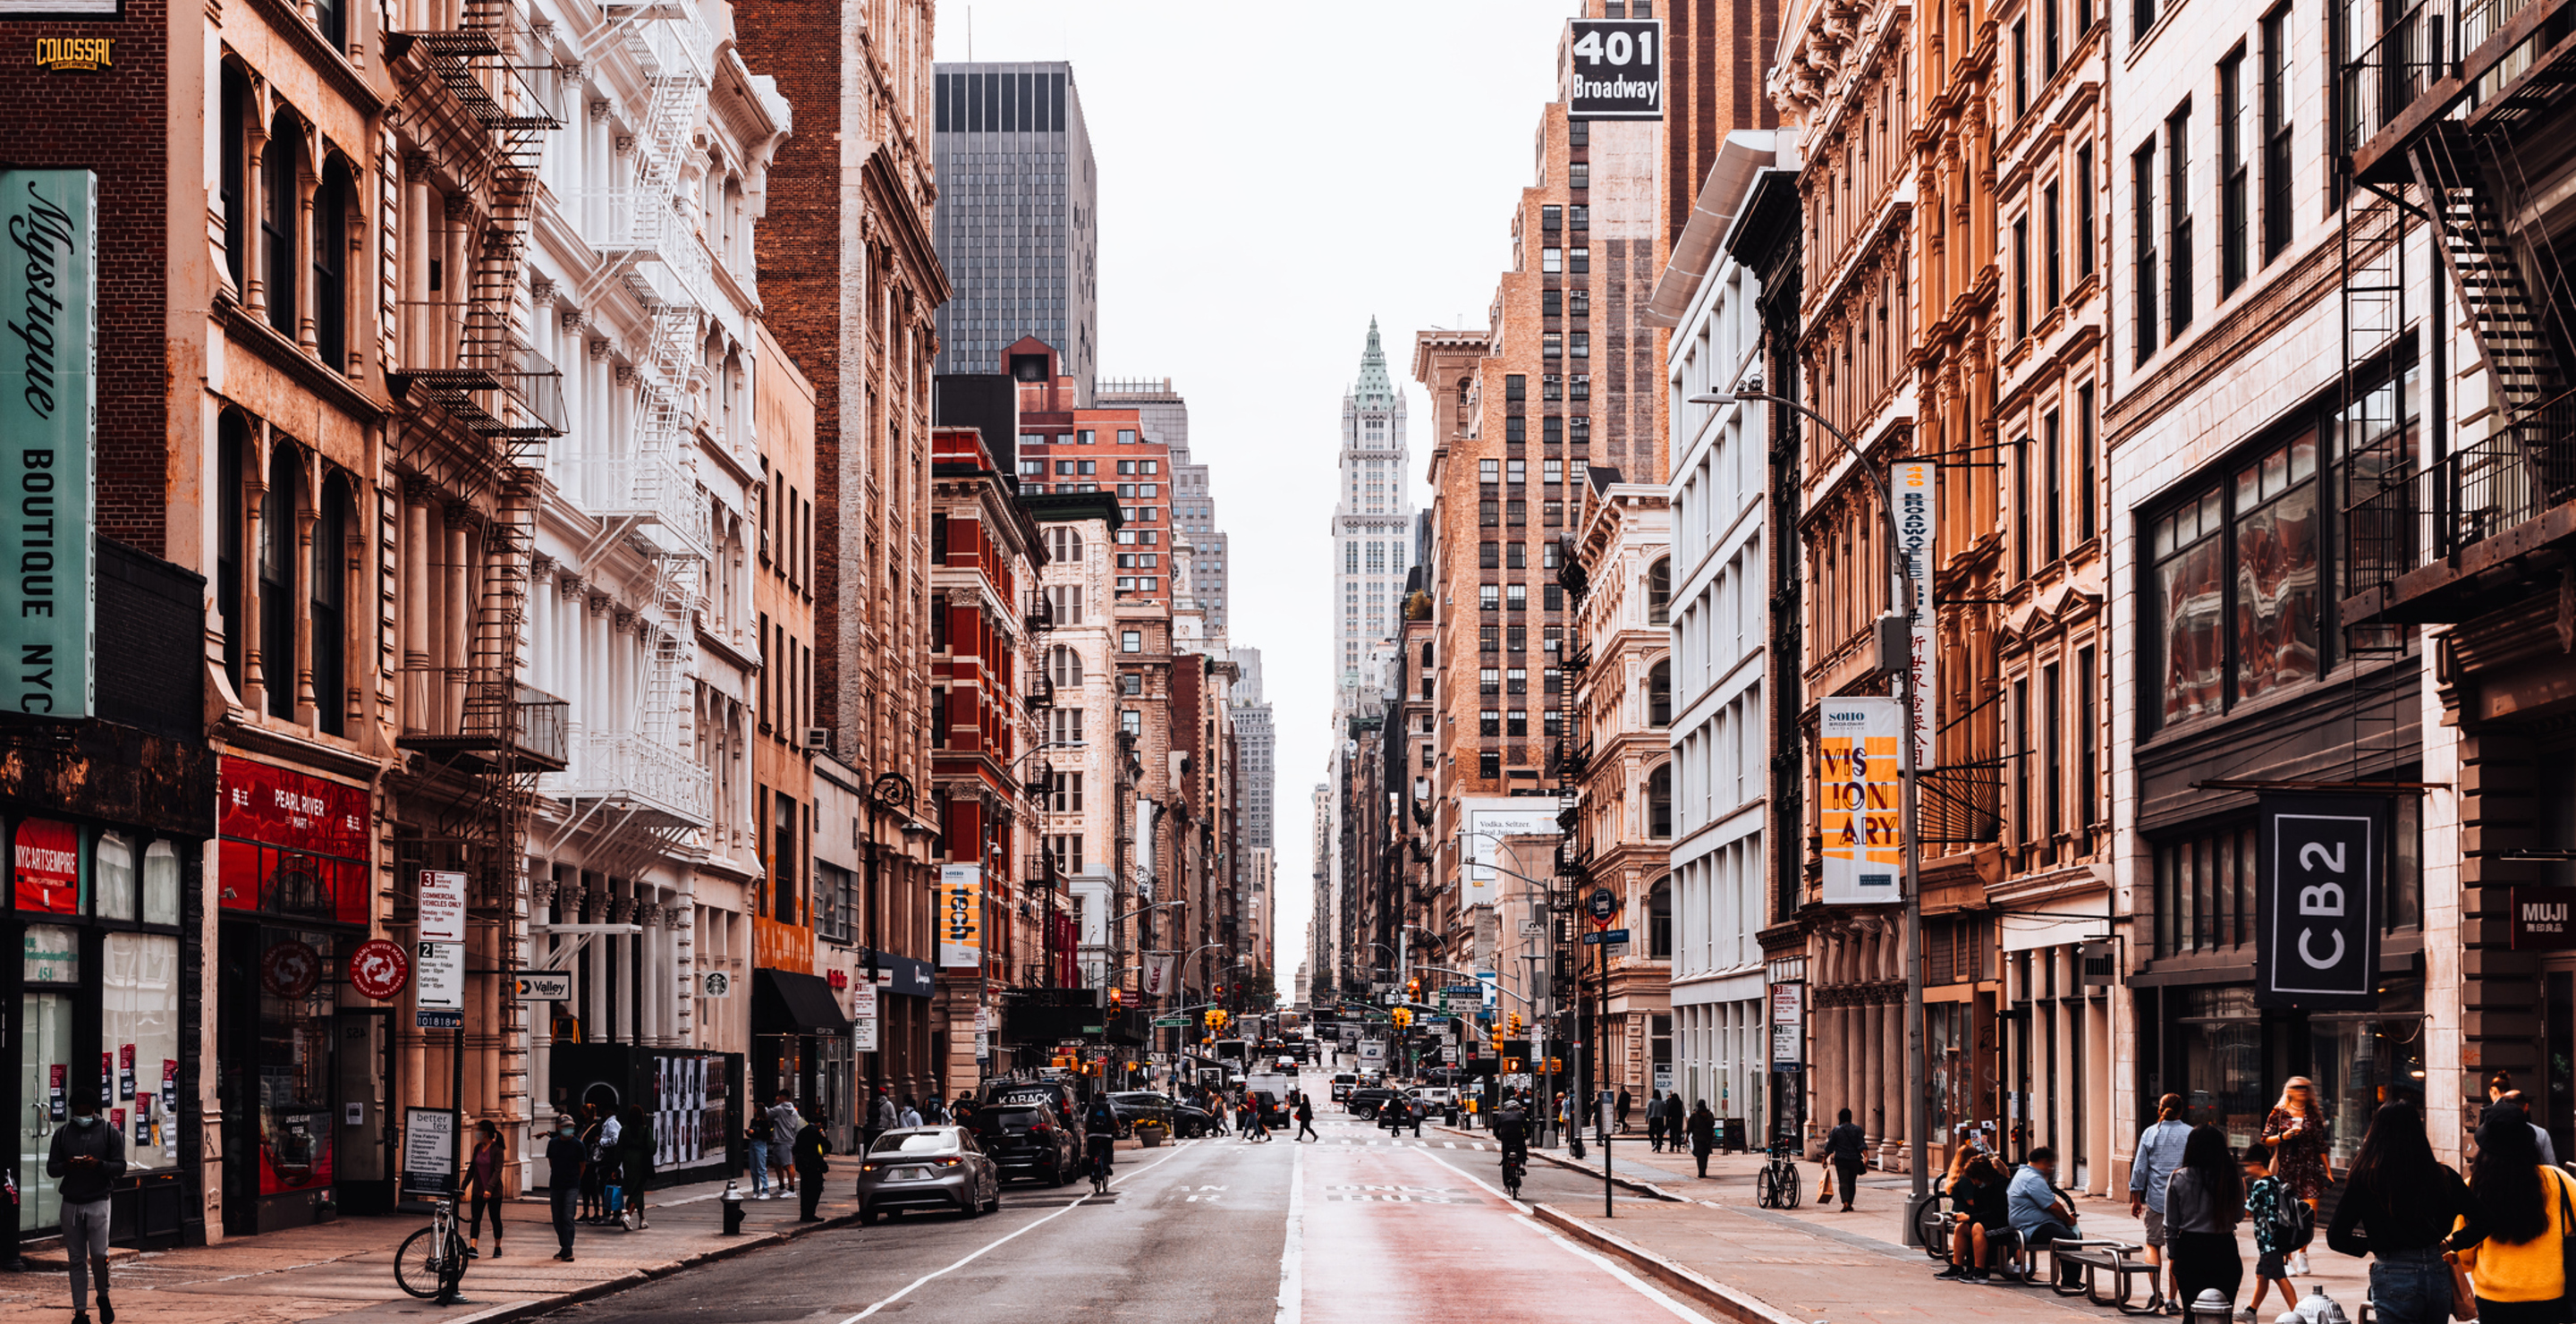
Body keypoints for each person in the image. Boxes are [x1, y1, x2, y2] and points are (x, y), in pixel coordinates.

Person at [2329, 1100, 2475, 1324]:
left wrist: (2371, 1244)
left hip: (2393, 1272)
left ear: (2376, 1133)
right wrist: (2452, 1243)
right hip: (2436, 1270)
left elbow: (2336, 1237)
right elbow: (2485, 1220)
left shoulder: (2366, 1179)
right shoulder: (2443, 1176)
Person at [2451, 1109, 2574, 1324]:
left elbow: (2464, 1257)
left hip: (2494, 1296)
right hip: (2548, 1294)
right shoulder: (2559, 1181)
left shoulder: (2474, 1187)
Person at [47, 1088, 124, 1324]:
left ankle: (103, 1295)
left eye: (86, 1112)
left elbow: (120, 1167)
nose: (82, 1116)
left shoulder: (110, 1133)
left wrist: (98, 1165)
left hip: (99, 1200)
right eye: (78, 1112)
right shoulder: (62, 1134)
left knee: (100, 1254)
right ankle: (80, 1311)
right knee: (76, 1259)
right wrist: (67, 1165)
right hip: (71, 1202)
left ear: (94, 1110)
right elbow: (52, 1168)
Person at [2162, 1126, 2243, 1313]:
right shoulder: (2231, 1177)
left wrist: (2173, 1255)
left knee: (2192, 1314)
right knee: (2223, 1314)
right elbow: (2238, 1216)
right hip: (2224, 1248)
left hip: (2191, 1249)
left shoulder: (2178, 1178)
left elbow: (2170, 1225)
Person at [2258, 1077, 2331, 1277]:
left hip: (2310, 1169)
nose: (2302, 1090)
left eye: (2305, 1087)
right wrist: (2283, 1136)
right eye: (2297, 1087)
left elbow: (2320, 1144)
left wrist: (2329, 1171)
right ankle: (2287, 1258)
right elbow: (2265, 1140)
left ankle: (2303, 1252)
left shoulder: (2313, 1114)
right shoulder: (2279, 1113)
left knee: (2310, 1213)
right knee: (2287, 1216)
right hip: (2286, 1169)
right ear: (2288, 1090)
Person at [2129, 1092, 2194, 1309]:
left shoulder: (2150, 1133)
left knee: (2153, 1245)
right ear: (2181, 1111)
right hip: (2184, 1200)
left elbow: (2139, 1168)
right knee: (2178, 1250)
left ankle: (2156, 1294)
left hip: (2157, 1198)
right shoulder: (2190, 1134)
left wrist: (2135, 1198)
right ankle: (2173, 1300)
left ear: (2160, 1110)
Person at [2011, 1145, 2086, 1286]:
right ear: (2043, 1161)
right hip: (2031, 1228)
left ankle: (2072, 1278)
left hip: (2030, 1225)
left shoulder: (2023, 1174)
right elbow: (2053, 1206)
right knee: (2069, 1238)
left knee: (2073, 1234)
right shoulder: (2032, 1179)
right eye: (2050, 1165)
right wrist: (2068, 1220)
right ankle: (2071, 1281)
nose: (2050, 1169)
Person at [2244, 1142, 2301, 1320]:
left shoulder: (2260, 1185)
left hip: (2269, 1241)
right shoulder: (2275, 1181)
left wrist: (2241, 1193)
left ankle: (2299, 1313)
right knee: (2262, 1276)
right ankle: (2251, 1311)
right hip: (2275, 1238)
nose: (2246, 1170)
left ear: (2258, 1164)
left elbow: (2247, 1210)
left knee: (2279, 1277)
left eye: (2248, 1165)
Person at [461, 1118, 506, 1258]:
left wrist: (489, 1189)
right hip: (478, 1190)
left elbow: (497, 1171)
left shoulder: (497, 1149)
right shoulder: (477, 1148)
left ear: (485, 1133)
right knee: (476, 1218)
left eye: (479, 1131)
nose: (477, 1133)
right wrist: (463, 1187)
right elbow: (472, 1169)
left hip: (494, 1191)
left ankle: (497, 1247)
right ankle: (473, 1247)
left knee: (495, 1218)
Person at [545, 1112, 585, 1262]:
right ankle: (564, 1246)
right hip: (556, 1184)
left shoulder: (578, 1145)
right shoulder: (553, 1143)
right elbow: (551, 1162)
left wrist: (575, 1180)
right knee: (557, 1218)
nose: (569, 1129)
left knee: (568, 1216)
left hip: (571, 1185)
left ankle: (568, 1248)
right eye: (566, 1126)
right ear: (559, 1127)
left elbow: (582, 1166)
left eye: (571, 1127)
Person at [1823, 1107, 1868, 1212]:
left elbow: (1830, 1146)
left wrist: (1824, 1158)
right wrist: (1866, 1156)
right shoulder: (1857, 1129)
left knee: (1843, 1182)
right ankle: (1850, 1203)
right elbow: (1861, 1145)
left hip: (1841, 1160)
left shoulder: (1836, 1130)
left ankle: (1845, 1202)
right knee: (1851, 1182)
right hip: (1855, 1160)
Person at [619, 1104, 656, 1230]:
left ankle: (642, 1218)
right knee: (638, 1189)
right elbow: (652, 1148)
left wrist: (615, 1166)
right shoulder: (645, 1130)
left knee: (636, 1188)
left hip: (627, 1161)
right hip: (641, 1161)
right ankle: (628, 1216)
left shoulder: (624, 1130)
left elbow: (619, 1148)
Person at [792, 1107, 832, 1222]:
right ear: (819, 1123)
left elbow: (795, 1149)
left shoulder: (802, 1132)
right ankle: (810, 1214)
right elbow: (828, 1146)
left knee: (805, 1190)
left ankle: (804, 1214)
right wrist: (822, 1133)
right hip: (814, 1164)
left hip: (802, 1164)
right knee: (815, 1190)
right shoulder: (817, 1132)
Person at [767, 1093, 804, 1198]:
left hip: (782, 1140)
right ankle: (782, 1187)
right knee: (777, 1163)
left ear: (782, 1097)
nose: (776, 1098)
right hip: (788, 1139)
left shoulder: (778, 1109)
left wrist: (762, 1107)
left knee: (788, 1165)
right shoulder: (794, 1111)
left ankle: (792, 1190)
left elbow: (767, 1114)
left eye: (778, 1096)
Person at [743, 1106, 775, 1201]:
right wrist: (749, 1132)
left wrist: (755, 1133)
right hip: (753, 1143)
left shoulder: (764, 1123)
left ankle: (765, 1190)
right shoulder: (753, 1121)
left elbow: (767, 1135)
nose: (753, 1110)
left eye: (755, 1108)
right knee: (753, 1169)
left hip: (760, 1143)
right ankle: (756, 1191)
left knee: (761, 1168)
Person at [1085, 1097, 1119, 1183]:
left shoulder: (1090, 1107)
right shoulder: (1109, 1107)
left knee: (1091, 1153)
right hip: (1106, 1135)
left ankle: (1092, 1172)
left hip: (1092, 1135)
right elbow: (1115, 1120)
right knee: (1108, 1150)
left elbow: (1086, 1121)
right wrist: (1116, 1130)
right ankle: (1107, 1165)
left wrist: (1087, 1131)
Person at [1687, 1099, 1718, 1178]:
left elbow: (1689, 1127)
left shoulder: (1701, 1115)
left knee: (1702, 1155)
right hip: (1703, 1138)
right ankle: (1702, 1171)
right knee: (1702, 1155)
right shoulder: (1701, 1115)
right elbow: (1712, 1124)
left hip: (1702, 1138)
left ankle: (1702, 1170)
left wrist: (1687, 1136)